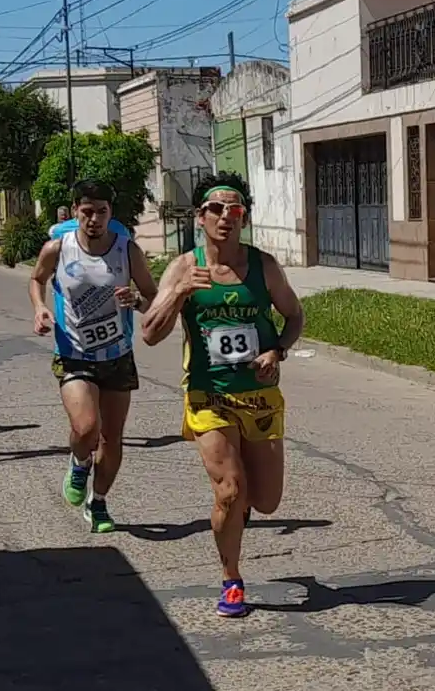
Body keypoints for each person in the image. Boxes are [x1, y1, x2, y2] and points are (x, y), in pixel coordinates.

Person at [142, 172, 304, 619]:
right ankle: (232, 578)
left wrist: (278, 349)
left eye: (235, 210)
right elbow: (150, 333)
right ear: (200, 217)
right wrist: (177, 293)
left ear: (244, 218)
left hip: (259, 397)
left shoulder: (264, 266)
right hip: (207, 394)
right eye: (216, 209)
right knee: (230, 491)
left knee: (265, 500)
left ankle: (239, 515)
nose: (225, 218)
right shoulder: (182, 267)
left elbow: (294, 315)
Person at [29, 180, 158, 533]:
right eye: (87, 212)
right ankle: (79, 461)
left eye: (102, 212)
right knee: (86, 428)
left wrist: (138, 301)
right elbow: (37, 278)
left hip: (117, 353)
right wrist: (40, 307)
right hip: (74, 353)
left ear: (110, 214)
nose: (94, 219)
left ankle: (97, 502)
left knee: (112, 438)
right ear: (75, 212)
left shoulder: (127, 251)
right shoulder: (58, 248)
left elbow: (151, 297)